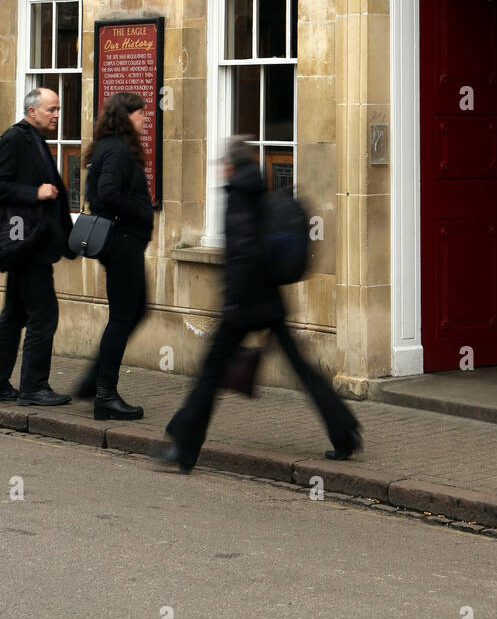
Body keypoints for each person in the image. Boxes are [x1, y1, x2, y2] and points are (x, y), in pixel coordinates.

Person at [157, 137, 361, 472]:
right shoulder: (258, 190)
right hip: (269, 301)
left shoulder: (238, 195)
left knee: (209, 374)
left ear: (229, 165)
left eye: (222, 163)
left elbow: (241, 254)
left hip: (244, 304)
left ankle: (184, 445)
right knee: (302, 368)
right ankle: (345, 431)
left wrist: (232, 304)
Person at [0, 88, 74, 406]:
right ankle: (34, 388)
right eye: (52, 109)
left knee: (14, 314)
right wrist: (35, 193)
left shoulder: (35, 140)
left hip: (32, 243)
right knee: (44, 315)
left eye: (58, 109)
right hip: (25, 244)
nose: (57, 115)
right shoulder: (16, 138)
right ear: (32, 111)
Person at [75, 91, 154, 421]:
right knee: (124, 317)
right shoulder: (119, 150)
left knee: (136, 310)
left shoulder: (110, 146)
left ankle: (94, 383)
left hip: (123, 243)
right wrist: (138, 211)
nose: (144, 118)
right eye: (139, 114)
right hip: (122, 243)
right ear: (125, 116)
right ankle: (105, 395)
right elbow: (105, 193)